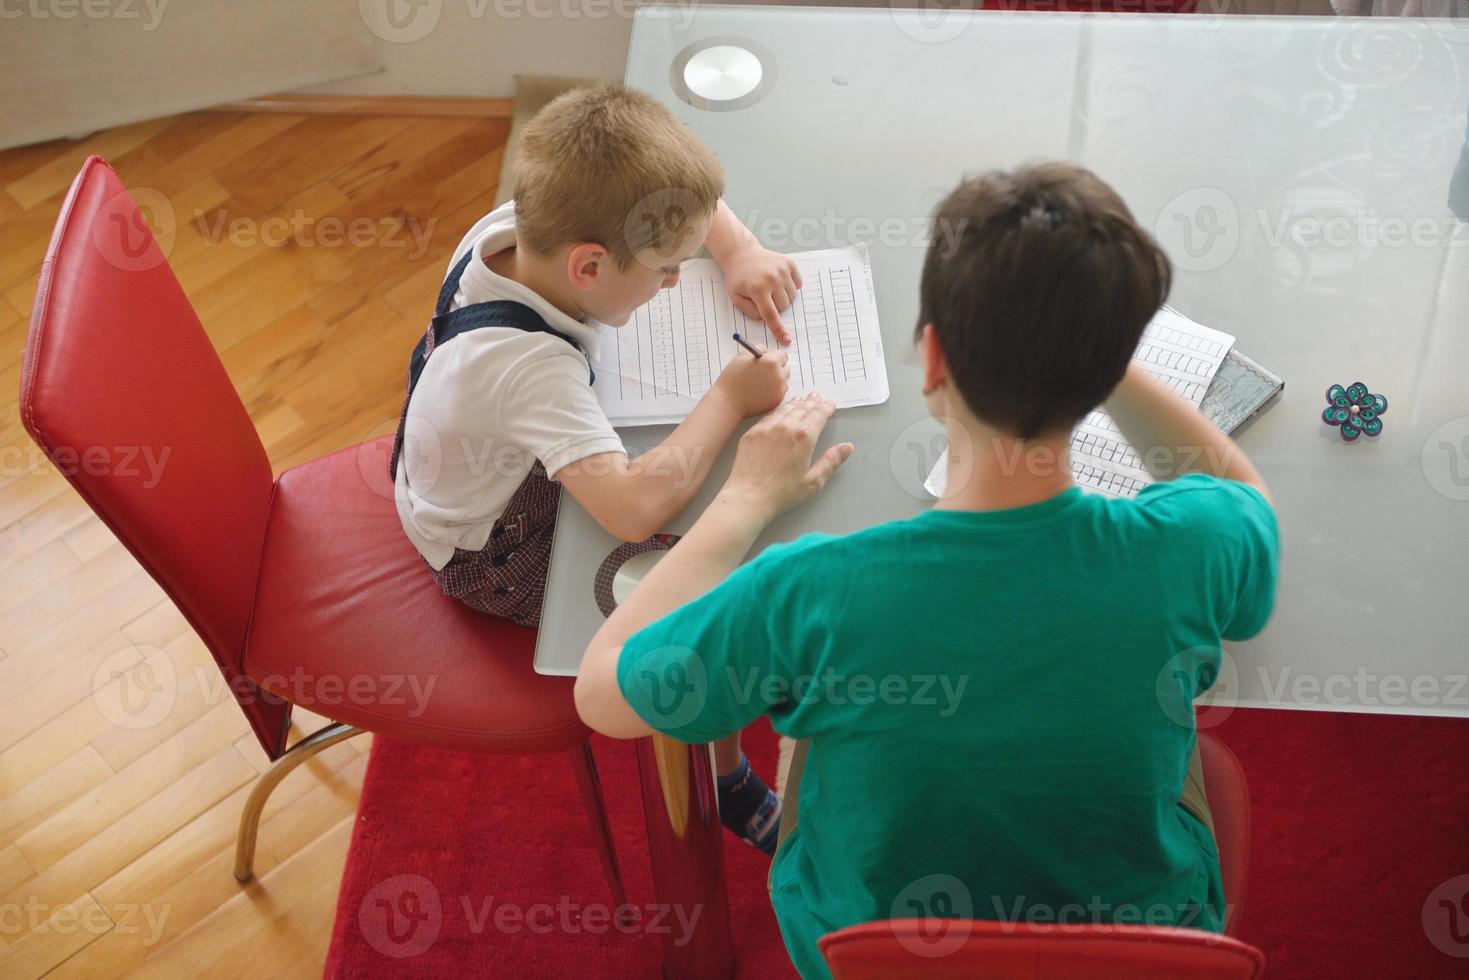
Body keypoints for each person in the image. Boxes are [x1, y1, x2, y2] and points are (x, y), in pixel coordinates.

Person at [573, 163, 1280, 978]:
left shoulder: (809, 590)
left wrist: (741, 503)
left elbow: (603, 695)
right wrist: (1093, 350)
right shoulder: (1191, 543)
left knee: (811, 732)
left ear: (933, 357)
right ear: (1108, 368)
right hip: (1137, 951)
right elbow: (1240, 494)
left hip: (873, 951)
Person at [392, 83, 799, 853]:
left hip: (476, 468)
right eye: (665, 270)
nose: (676, 283)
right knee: (699, 579)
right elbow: (632, 510)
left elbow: (686, 210)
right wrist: (729, 395)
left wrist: (738, 250)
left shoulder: (521, 225)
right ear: (589, 266)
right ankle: (723, 770)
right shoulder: (529, 371)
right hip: (491, 555)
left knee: (706, 505)